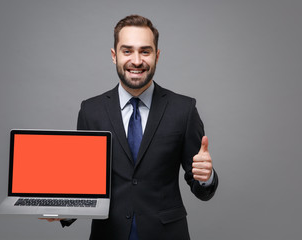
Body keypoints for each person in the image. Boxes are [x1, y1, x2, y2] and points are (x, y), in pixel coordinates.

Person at [44, 14, 218, 240]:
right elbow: (84, 186)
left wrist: (206, 177)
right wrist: (63, 212)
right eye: (127, 51)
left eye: (145, 51)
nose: (136, 60)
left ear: (157, 55)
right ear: (114, 56)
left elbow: (200, 187)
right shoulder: (90, 111)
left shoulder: (183, 110)